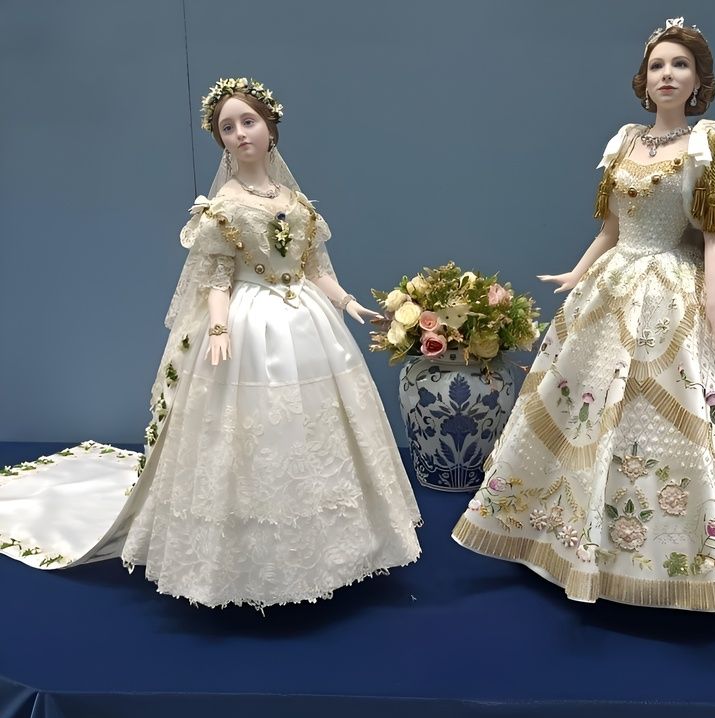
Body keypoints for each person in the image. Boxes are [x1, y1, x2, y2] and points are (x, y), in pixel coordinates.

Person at [452, 19, 715, 617]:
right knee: (589, 405)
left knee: (691, 406)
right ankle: (573, 537)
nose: (667, 74)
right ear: (644, 80)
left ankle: (691, 553)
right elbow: (610, 229)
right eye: (658, 65)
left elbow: (713, 231)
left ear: (698, 81)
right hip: (614, 287)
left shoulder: (706, 145)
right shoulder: (623, 143)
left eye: (680, 65)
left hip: (673, 291)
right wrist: (577, 273)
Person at [0, 77, 421, 608]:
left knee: (314, 428)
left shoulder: (296, 201)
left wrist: (347, 302)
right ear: (220, 140)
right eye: (228, 127)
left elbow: (314, 267)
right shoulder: (223, 206)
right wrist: (219, 328)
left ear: (270, 128)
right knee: (251, 428)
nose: (240, 134)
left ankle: (335, 550)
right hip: (251, 326)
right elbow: (217, 278)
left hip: (308, 324)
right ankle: (249, 558)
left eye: (249, 122)